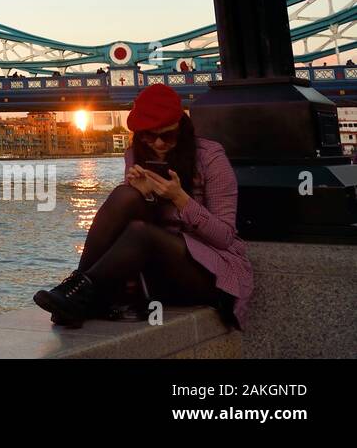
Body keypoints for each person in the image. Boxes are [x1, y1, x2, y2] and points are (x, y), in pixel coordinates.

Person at [33, 83, 252, 329]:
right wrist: (143, 194)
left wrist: (180, 198)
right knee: (125, 195)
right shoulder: (135, 154)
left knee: (141, 233)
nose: (157, 144)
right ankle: (75, 290)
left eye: (167, 135)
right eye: (148, 135)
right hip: (154, 268)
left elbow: (224, 237)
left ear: (182, 127)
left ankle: (78, 296)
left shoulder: (210, 156)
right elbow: (137, 221)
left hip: (209, 274)